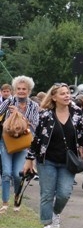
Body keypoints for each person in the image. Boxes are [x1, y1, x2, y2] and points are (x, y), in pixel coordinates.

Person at [23, 83, 83, 228]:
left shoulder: (77, 114)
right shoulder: (45, 115)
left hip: (68, 161)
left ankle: (55, 213)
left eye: (68, 93)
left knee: (64, 193)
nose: (67, 96)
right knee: (47, 193)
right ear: (54, 97)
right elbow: (36, 140)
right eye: (63, 94)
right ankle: (47, 223)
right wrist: (29, 159)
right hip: (47, 160)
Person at [0, 76, 40, 213]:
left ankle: (17, 198)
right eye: (18, 89)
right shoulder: (9, 101)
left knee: (18, 174)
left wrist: (20, 115)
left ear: (29, 91)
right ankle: (5, 203)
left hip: (23, 143)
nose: (21, 91)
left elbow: (36, 125)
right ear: (15, 89)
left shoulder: (34, 106)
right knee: (6, 173)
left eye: (24, 89)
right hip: (7, 141)